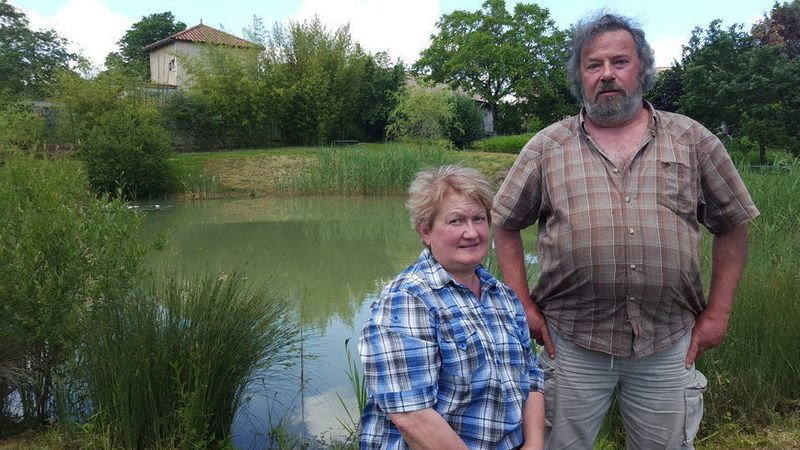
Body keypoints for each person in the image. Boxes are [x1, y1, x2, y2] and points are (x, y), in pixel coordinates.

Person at [492, 13, 760, 449]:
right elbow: (504, 223)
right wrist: (521, 304)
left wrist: (719, 313)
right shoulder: (547, 147)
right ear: (580, 77)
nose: (607, 75)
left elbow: (732, 225)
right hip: (571, 341)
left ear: (642, 68)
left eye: (620, 61)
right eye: (593, 65)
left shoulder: (693, 140)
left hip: (668, 340)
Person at [359, 165, 545, 450]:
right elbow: (411, 416)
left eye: (479, 219)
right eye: (456, 221)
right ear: (425, 230)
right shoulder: (407, 300)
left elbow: (532, 379)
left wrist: (534, 446)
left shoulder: (503, 296)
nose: (471, 233)